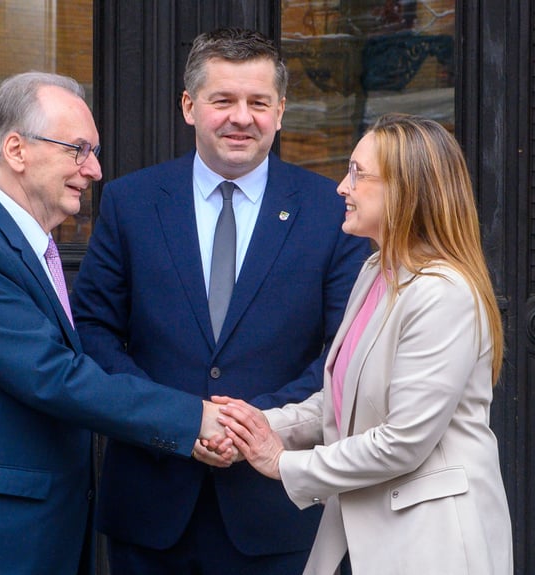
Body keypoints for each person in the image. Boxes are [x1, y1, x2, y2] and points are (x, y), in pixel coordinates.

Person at [0, 72, 233, 575]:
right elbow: (53, 375)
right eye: (78, 150)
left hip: (17, 535)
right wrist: (193, 418)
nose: (96, 170)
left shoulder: (20, 244)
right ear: (16, 150)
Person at [70, 28, 371, 574]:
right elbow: (91, 331)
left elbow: (345, 352)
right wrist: (181, 421)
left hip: (279, 512)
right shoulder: (130, 201)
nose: (242, 117)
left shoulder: (331, 213)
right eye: (223, 100)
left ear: (280, 111)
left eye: (258, 102)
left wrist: (253, 427)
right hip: (151, 505)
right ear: (189, 106)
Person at [214, 113, 514, 574]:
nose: (341, 187)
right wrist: (253, 426)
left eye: (358, 173)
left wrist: (284, 464)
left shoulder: (442, 292)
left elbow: (403, 442)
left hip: (431, 543)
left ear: (406, 190)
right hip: (366, 533)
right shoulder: (377, 271)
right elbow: (340, 402)